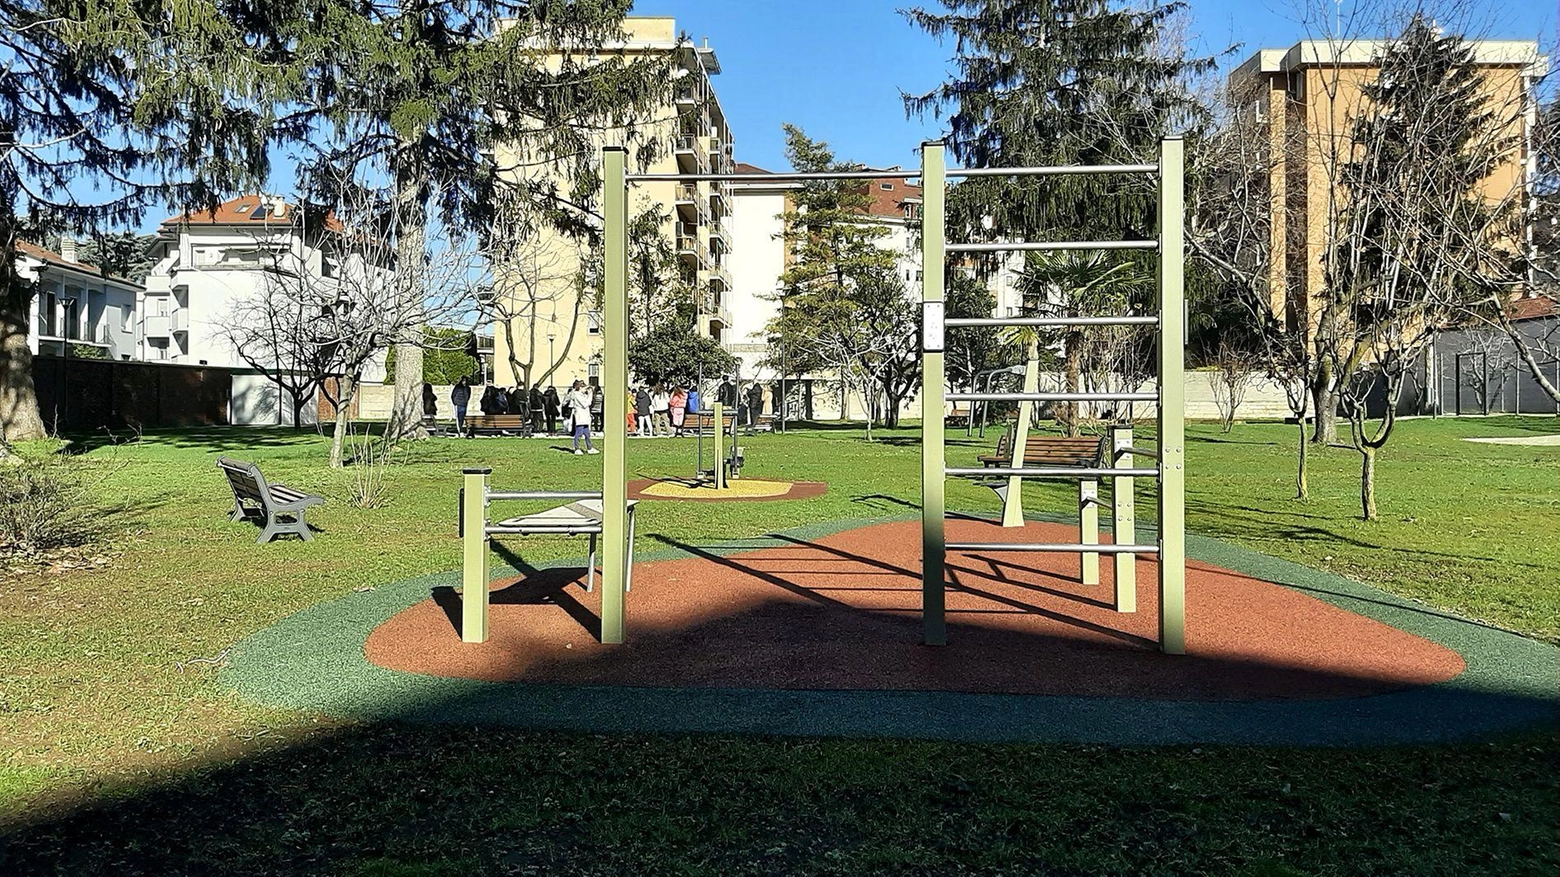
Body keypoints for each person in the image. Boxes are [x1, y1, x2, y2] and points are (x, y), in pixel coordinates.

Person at [565, 380, 598, 455]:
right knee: (578, 433)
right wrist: (590, 394)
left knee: (587, 434)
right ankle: (576, 448)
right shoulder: (577, 395)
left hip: (585, 417)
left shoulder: (582, 395)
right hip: (580, 416)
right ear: (580, 387)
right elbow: (586, 404)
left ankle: (589, 448)